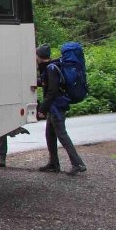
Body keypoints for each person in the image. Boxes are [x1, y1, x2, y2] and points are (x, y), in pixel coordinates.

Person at [35, 44, 87, 175]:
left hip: (57, 107)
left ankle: (78, 163)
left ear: (39, 56)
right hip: (54, 106)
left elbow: (52, 91)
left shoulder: (51, 68)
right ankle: (53, 163)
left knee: (62, 135)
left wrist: (42, 109)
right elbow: (46, 83)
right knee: (50, 135)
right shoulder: (51, 67)